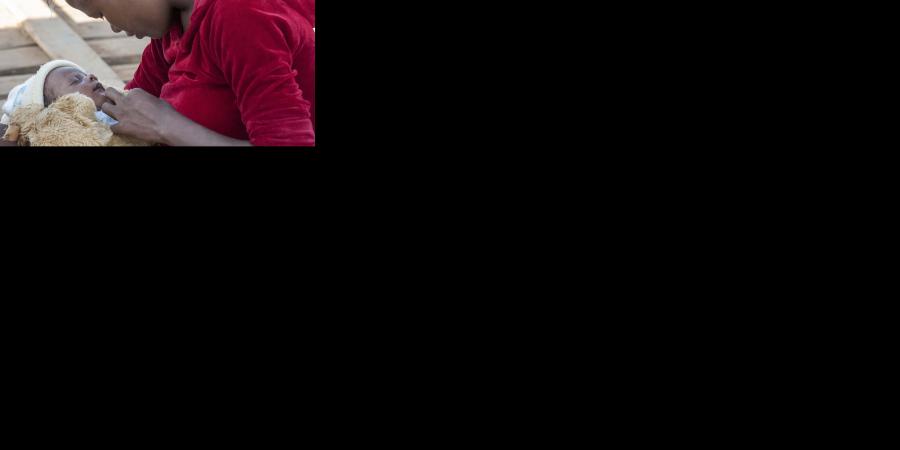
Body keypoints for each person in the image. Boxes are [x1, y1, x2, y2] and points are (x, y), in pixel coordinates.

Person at [65, 0, 316, 146]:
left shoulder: (239, 15)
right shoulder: (172, 33)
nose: (114, 28)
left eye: (101, 13)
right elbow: (121, 113)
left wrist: (167, 126)